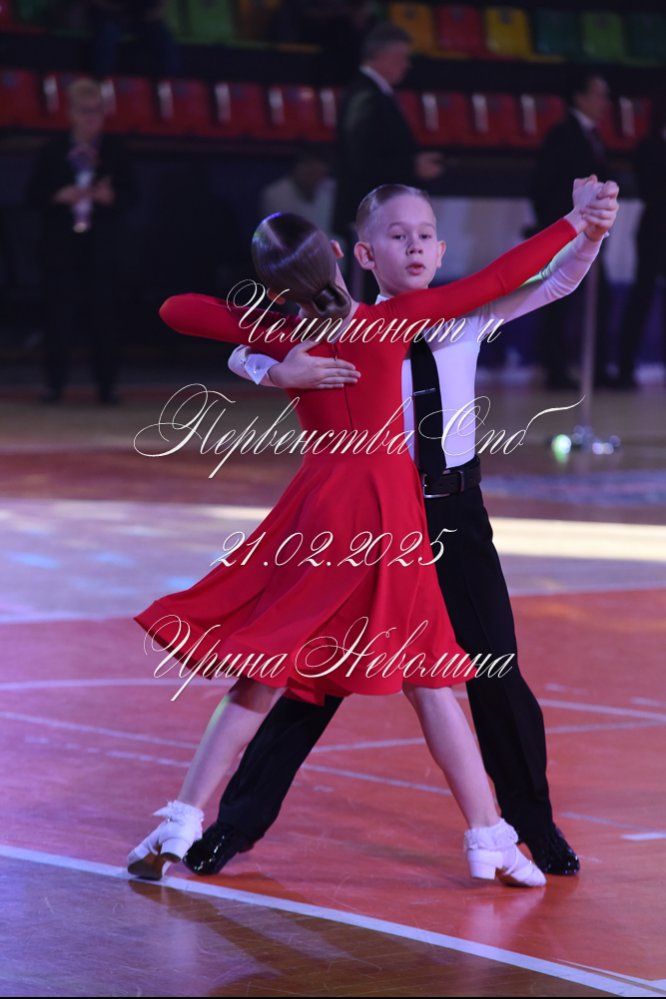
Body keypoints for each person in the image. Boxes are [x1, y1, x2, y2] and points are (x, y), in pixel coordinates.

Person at [127, 179, 610, 885]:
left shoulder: (312, 329)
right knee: (389, 681)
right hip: (388, 514)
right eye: (398, 234)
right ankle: (477, 837)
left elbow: (182, 310)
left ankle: (186, 815)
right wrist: (570, 218)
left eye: (425, 234)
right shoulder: (398, 320)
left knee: (320, 669)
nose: (414, 245)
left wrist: (274, 354)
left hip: (379, 513)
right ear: (351, 253)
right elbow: (506, 271)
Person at [25, 77, 134, 404]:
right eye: (84, 111)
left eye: (96, 111)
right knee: (58, 317)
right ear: (71, 113)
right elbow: (32, 195)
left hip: (102, 248)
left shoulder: (114, 151)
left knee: (105, 317)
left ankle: (107, 386)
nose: (91, 118)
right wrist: (60, 195)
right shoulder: (53, 151)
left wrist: (110, 197)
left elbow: (132, 195)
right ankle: (54, 385)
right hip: (61, 248)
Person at [333, 22, 443, 296]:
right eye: (402, 57)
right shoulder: (365, 95)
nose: (407, 65)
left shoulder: (375, 93)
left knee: (382, 292)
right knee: (369, 293)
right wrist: (412, 166)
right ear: (383, 56)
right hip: (368, 216)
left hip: (381, 215)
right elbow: (359, 158)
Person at [531, 70, 614, 390]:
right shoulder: (562, 135)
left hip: (590, 236)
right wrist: (561, 230)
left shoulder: (593, 136)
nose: (604, 102)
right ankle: (556, 369)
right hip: (566, 236)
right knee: (558, 302)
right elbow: (543, 186)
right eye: (598, 94)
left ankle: (596, 368)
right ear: (579, 97)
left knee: (599, 301)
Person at [615, 100, 666, 389]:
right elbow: (651, 191)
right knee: (642, 298)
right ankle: (625, 368)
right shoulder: (649, 146)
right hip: (655, 233)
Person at [259, 151, 334, 233]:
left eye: (319, 174)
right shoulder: (274, 194)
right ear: (298, 168)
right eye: (312, 172)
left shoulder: (331, 189)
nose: (315, 178)